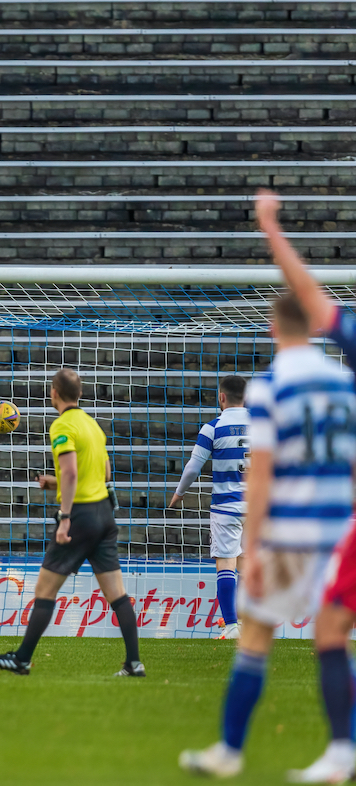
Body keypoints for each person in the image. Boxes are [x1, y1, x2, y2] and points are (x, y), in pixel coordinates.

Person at [179, 292, 356, 781]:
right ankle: (342, 750)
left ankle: (230, 750)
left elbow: (261, 475)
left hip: (291, 533)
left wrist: (253, 547)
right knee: (332, 639)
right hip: (340, 532)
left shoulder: (269, 386)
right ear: (317, 329)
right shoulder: (345, 382)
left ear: (275, 330)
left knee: (254, 635)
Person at [0, 368, 144, 677]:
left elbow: (72, 473)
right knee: (117, 594)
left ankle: (22, 659)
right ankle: (134, 663)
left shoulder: (62, 426)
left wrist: (65, 517)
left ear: (53, 393)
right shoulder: (92, 425)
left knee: (45, 589)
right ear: (80, 394)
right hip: (103, 514)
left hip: (80, 517)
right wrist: (54, 483)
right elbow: (104, 474)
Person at [169, 375, 250, 640]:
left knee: (226, 563)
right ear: (246, 397)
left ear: (222, 397)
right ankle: (253, 625)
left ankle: (232, 624)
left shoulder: (213, 428)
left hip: (226, 507)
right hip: (257, 507)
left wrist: (180, 493)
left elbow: (194, 466)